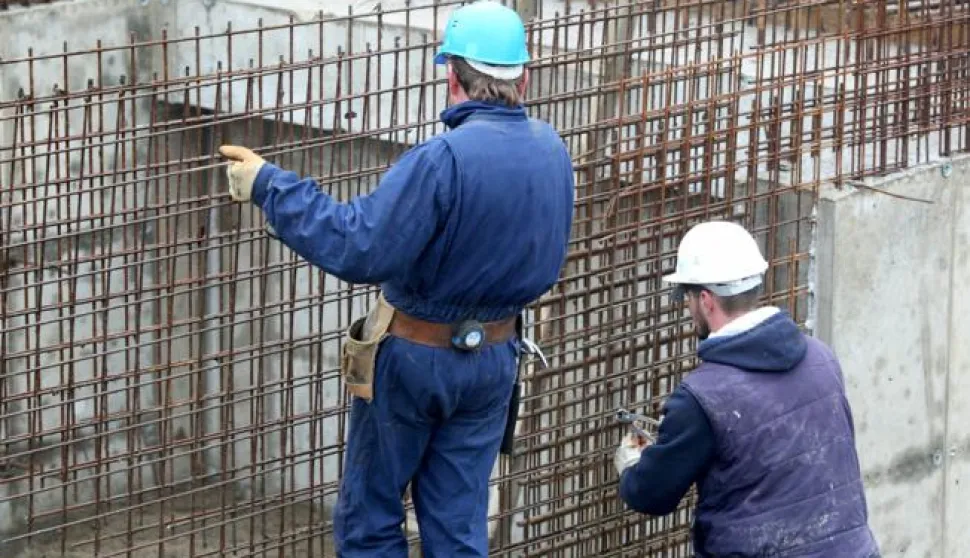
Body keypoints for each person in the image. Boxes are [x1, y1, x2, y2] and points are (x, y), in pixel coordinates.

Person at [218, 1, 575, 556]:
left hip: (415, 357)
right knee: (458, 525)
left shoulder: (442, 159)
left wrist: (271, 186)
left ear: (452, 76)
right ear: (523, 78)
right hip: (494, 361)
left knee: (371, 519)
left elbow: (358, 246)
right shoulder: (552, 150)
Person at [614, 220, 880, 557]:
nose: (687, 307)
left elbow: (653, 494)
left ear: (706, 300)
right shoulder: (821, 358)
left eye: (687, 296)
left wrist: (633, 466)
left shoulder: (700, 398)